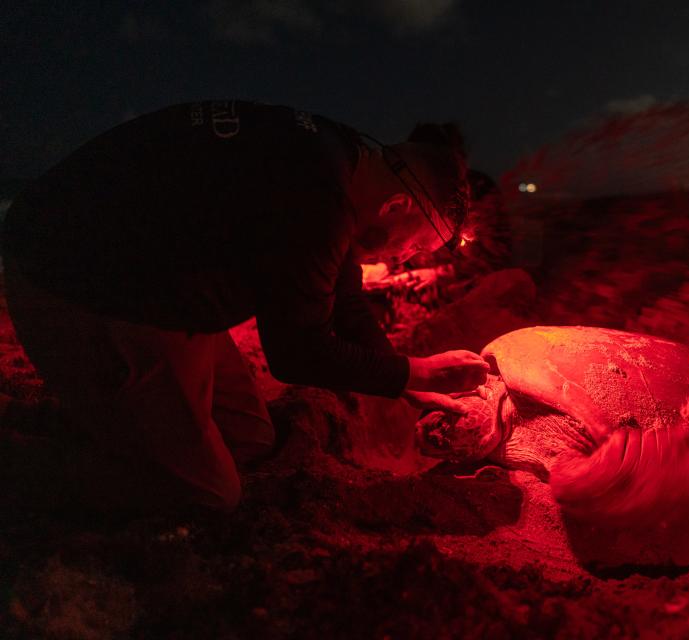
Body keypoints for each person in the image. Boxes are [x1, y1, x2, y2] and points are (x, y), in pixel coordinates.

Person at [0, 100, 488, 512]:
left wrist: (404, 384)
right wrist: (415, 373)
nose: (404, 258)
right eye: (417, 247)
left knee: (251, 441)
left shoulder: (341, 155)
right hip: (80, 283)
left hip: (165, 286)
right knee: (206, 494)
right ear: (397, 207)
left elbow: (346, 298)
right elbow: (296, 352)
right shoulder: (314, 197)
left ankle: (120, 425)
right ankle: (25, 470)